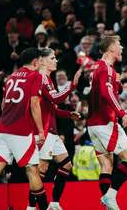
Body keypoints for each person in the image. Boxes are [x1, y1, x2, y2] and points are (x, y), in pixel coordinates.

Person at [0, 48, 48, 210]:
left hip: (3, 130)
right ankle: (43, 207)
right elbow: (34, 103)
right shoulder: (35, 76)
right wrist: (41, 131)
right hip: (20, 131)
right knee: (32, 171)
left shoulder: (11, 77)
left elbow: (3, 104)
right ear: (35, 62)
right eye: (40, 60)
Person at [27, 48, 82, 210]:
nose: (56, 60)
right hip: (43, 131)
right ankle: (30, 207)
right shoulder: (41, 78)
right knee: (41, 170)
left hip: (52, 130)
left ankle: (55, 203)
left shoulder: (48, 79)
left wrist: (67, 114)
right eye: (52, 58)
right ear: (42, 61)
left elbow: (52, 107)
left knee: (66, 166)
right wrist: (73, 85)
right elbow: (56, 98)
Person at [87, 35, 127, 210]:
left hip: (93, 125)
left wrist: (119, 85)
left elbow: (107, 90)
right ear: (111, 49)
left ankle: (108, 205)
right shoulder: (106, 69)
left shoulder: (97, 68)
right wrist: (122, 113)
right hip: (106, 122)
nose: (122, 48)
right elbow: (106, 93)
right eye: (119, 44)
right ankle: (110, 196)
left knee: (106, 165)